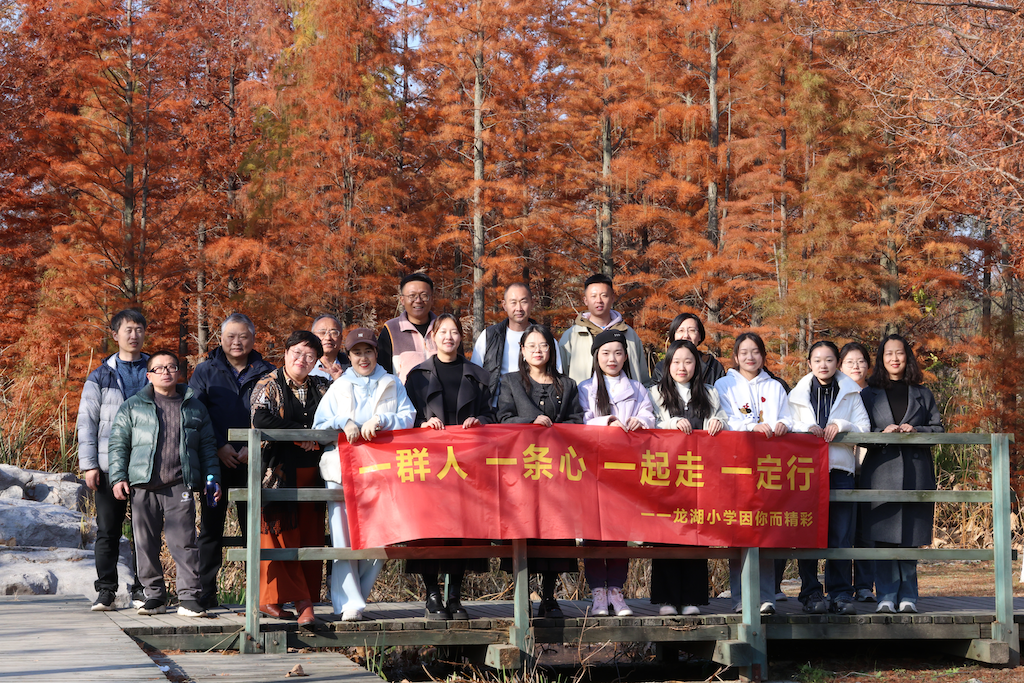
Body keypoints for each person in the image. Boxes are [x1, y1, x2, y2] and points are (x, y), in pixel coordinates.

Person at [107, 351, 221, 618]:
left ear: (179, 372)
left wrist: (211, 477)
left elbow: (207, 446)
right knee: (145, 544)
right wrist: (118, 477)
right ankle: (154, 596)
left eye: (171, 366)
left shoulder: (194, 406)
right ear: (149, 376)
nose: (166, 372)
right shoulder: (133, 406)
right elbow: (118, 444)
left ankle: (189, 598)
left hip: (179, 484)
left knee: (184, 542)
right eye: (159, 368)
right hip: (142, 485)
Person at [313, 327, 415, 621]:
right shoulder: (339, 386)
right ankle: (349, 603)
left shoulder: (392, 383)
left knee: (380, 536)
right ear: (349, 356)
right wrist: (343, 422)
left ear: (375, 353)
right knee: (343, 536)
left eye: (367, 351)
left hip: (382, 468)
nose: (363, 358)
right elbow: (319, 425)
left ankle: (360, 595)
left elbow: (409, 418)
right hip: (342, 468)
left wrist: (383, 420)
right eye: (356, 353)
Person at [404, 313, 495, 620]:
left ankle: (455, 595)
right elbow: (406, 417)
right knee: (429, 530)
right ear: (433, 336)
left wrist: (479, 421)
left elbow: (491, 415)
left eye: (454, 332)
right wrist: (422, 422)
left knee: (462, 530)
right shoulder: (417, 376)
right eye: (443, 331)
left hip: (467, 464)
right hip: (430, 464)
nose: (449, 337)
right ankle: (431, 595)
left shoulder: (477, 374)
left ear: (461, 337)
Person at [189, 313, 276, 610]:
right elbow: (196, 412)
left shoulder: (268, 372)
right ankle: (206, 592)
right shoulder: (204, 371)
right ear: (221, 339)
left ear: (253, 339)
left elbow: (273, 413)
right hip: (214, 463)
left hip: (253, 461)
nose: (237, 342)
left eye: (243, 336)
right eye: (230, 336)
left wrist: (253, 445)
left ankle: (260, 595)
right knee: (211, 526)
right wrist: (219, 447)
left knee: (253, 527)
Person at [496, 323, 583, 619]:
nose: (537, 350)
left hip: (557, 471)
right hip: (523, 469)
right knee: (524, 531)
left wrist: (557, 427)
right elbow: (503, 418)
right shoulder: (510, 382)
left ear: (552, 349)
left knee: (555, 533)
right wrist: (533, 420)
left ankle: (549, 595)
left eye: (543, 345)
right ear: (522, 350)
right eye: (531, 345)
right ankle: (524, 596)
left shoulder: (567, 384)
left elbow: (577, 420)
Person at [250, 331, 331, 626]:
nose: (302, 360)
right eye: (297, 353)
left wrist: (317, 439)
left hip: (314, 472)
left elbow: (335, 417)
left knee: (310, 540)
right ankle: (303, 604)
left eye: (310, 356)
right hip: (279, 472)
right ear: (285, 353)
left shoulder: (323, 385)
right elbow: (261, 419)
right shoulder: (268, 384)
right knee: (282, 538)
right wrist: (301, 435)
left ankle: (270, 600)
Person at [860, 334, 943, 614]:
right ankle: (885, 595)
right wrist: (881, 434)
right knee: (883, 538)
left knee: (910, 537)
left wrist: (917, 431)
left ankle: (909, 596)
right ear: (881, 360)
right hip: (881, 472)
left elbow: (939, 430)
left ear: (907, 357)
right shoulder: (868, 394)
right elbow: (860, 433)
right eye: (888, 354)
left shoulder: (923, 393)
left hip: (916, 472)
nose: (894, 358)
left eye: (899, 353)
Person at [578, 329, 655, 617]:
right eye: (606, 353)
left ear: (626, 356)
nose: (612, 358)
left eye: (618, 352)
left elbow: (650, 415)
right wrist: (606, 421)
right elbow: (580, 421)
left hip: (625, 468)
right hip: (594, 469)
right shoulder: (584, 388)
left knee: (619, 530)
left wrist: (640, 420)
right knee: (594, 530)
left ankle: (617, 590)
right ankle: (598, 591)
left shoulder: (637, 388)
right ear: (596, 356)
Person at [788, 341, 870, 615]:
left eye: (829, 360)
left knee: (841, 535)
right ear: (809, 363)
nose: (823, 365)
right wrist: (805, 428)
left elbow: (864, 427)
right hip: (805, 472)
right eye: (817, 360)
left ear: (837, 362)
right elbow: (786, 423)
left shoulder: (850, 392)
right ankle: (810, 593)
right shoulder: (797, 393)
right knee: (806, 533)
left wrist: (841, 426)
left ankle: (841, 593)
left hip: (840, 470)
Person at [714, 332, 792, 615]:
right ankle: (740, 597)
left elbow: (788, 415)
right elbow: (724, 419)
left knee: (765, 530)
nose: (750, 357)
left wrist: (783, 423)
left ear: (762, 356)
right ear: (735, 356)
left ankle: (767, 595)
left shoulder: (775, 387)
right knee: (740, 531)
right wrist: (750, 427)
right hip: (736, 466)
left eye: (755, 351)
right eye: (744, 352)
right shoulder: (723, 385)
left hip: (768, 468)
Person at [648, 340, 727, 616]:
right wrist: (669, 424)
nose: (682, 367)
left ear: (698, 365)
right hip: (666, 474)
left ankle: (693, 597)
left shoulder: (710, 393)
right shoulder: (655, 394)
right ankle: (667, 599)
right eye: (676, 361)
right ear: (668, 365)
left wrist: (720, 423)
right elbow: (648, 424)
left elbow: (725, 420)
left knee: (696, 534)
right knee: (666, 534)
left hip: (699, 475)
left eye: (688, 361)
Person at [77, 308, 149, 611]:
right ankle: (106, 590)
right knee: (108, 530)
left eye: (139, 330)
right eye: (128, 330)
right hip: (108, 465)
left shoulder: (157, 369)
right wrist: (89, 464)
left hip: (148, 463)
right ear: (115, 334)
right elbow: (87, 422)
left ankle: (145, 589)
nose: (134, 335)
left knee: (146, 530)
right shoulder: (101, 375)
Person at [558, 274, 650, 387]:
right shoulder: (571, 336)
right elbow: (561, 378)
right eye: (593, 296)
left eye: (604, 295)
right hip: (585, 401)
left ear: (612, 298)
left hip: (628, 400)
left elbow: (644, 378)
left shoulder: (629, 334)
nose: (599, 301)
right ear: (585, 300)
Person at [839, 341, 876, 603]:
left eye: (861, 361)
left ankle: (864, 585)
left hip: (870, 469)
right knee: (842, 531)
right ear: (840, 365)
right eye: (850, 361)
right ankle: (839, 587)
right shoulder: (836, 392)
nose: (856, 366)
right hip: (840, 469)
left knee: (866, 531)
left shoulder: (876, 395)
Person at [472, 282, 550, 405]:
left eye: (523, 301)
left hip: (536, 410)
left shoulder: (546, 338)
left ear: (532, 303)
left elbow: (555, 376)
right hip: (494, 410)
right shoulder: (489, 336)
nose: (518, 308)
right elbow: (474, 376)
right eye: (513, 302)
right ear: (504, 305)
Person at [378, 273, 438, 382]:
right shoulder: (391, 330)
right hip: (404, 398)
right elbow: (382, 372)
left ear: (432, 299)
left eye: (424, 295)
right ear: (402, 300)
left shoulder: (443, 328)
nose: (418, 300)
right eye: (412, 295)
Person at [651, 313, 726, 386]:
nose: (686, 336)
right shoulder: (661, 368)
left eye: (692, 330)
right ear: (673, 335)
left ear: (700, 336)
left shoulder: (713, 366)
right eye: (681, 331)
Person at [309, 315, 351, 381]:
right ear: (312, 337)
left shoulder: (352, 366)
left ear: (341, 338)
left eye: (334, 333)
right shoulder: (303, 364)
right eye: (322, 333)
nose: (328, 338)